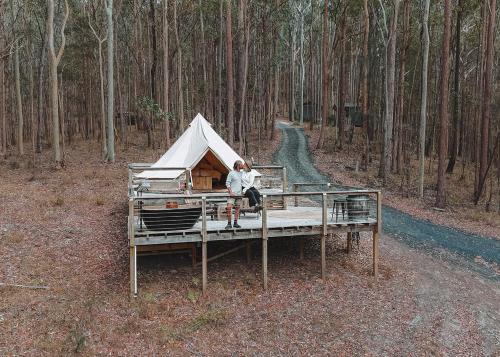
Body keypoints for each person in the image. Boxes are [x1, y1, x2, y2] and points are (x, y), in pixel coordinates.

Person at [225, 160, 243, 229]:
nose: (242, 165)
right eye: (241, 164)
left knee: (237, 208)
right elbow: (227, 183)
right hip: (232, 194)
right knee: (229, 207)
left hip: (239, 194)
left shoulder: (242, 173)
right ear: (238, 165)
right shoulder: (231, 173)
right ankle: (229, 223)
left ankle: (235, 223)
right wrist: (230, 192)